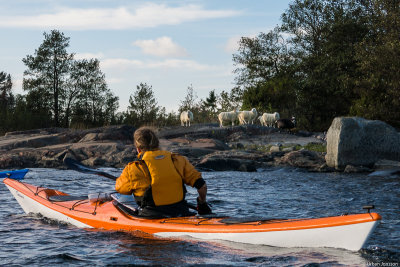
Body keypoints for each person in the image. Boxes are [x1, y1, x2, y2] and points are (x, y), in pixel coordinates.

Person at [115, 127, 212, 218]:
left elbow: (121, 189)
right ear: (157, 144)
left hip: (151, 216)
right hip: (181, 212)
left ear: (138, 149)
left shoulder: (134, 168)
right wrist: (202, 202)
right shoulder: (176, 160)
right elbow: (202, 186)